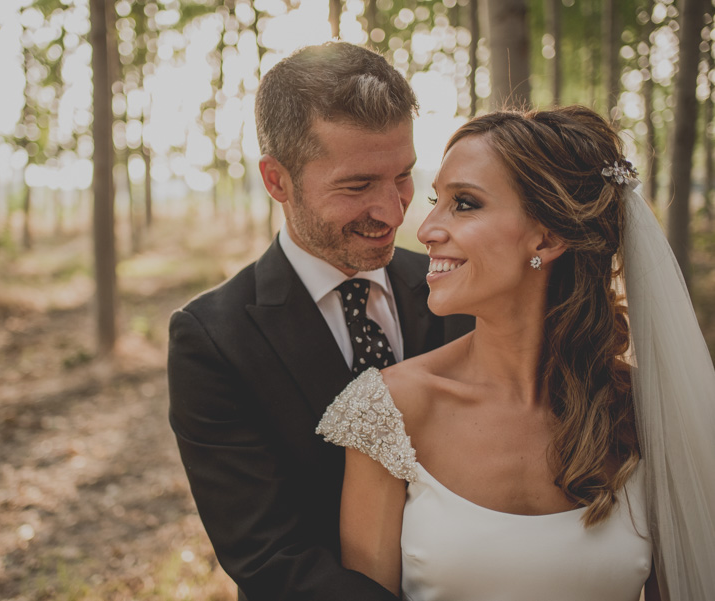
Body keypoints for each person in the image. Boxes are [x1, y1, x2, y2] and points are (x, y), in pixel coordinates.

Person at [318, 105, 715, 600]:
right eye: (435, 199)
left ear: (546, 237)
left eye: (464, 203)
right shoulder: (389, 410)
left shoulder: (641, 411)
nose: (425, 229)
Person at [167, 41, 472, 601]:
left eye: (402, 175)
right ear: (276, 180)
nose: (393, 210)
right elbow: (268, 557)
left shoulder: (462, 290)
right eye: (357, 186)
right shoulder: (211, 340)